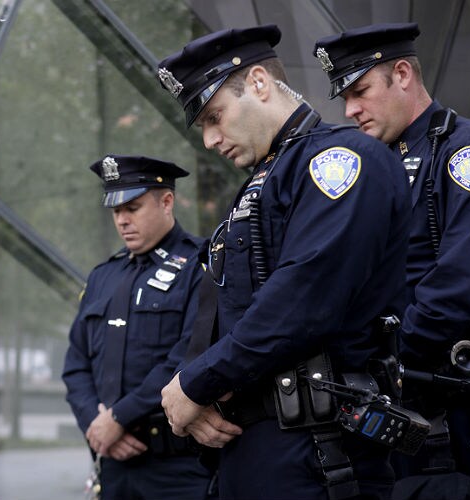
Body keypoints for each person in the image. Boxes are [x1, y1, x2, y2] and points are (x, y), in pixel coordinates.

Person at [156, 24, 412, 499]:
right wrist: (190, 391)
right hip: (253, 447)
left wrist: (197, 383)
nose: (209, 139)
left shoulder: (339, 160)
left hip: (316, 448)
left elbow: (302, 302)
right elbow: (221, 310)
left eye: (214, 116)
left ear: (258, 83)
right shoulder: (263, 181)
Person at [313, 22, 470, 500]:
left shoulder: (465, 151)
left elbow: (464, 279)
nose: (350, 110)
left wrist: (389, 358)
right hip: (399, 404)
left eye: (360, 92)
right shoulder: (375, 164)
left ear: (402, 74)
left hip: (460, 402)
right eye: (344, 98)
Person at [62, 154, 215, 499]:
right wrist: (97, 428)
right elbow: (76, 365)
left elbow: (189, 355)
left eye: (132, 208)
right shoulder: (103, 276)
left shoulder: (198, 266)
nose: (122, 220)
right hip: (113, 462)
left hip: (178, 467)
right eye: (116, 211)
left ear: (166, 202)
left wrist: (118, 418)